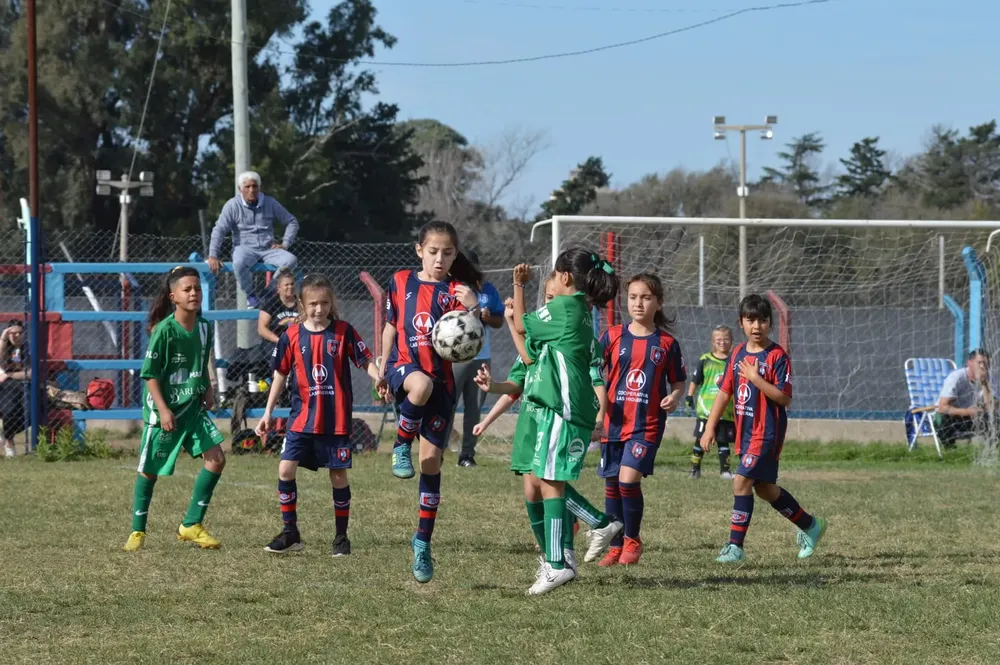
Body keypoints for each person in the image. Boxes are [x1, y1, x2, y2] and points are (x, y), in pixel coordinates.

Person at [473, 282, 622, 579]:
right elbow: (517, 383)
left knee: (548, 483)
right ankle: (554, 558)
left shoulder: (571, 344)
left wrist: (599, 418)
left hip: (552, 420)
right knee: (533, 492)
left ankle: (573, 545)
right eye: (547, 299)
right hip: (530, 424)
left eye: (555, 300)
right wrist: (488, 411)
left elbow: (594, 379)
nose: (549, 305)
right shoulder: (541, 340)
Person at [374, 221, 480, 583]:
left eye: (447, 253)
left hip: (443, 383)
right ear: (419, 249)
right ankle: (399, 446)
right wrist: (381, 365)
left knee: (432, 463)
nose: (439, 258)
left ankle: (422, 543)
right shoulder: (400, 280)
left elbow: (471, 339)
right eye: (433, 251)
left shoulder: (456, 292)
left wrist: (474, 307)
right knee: (419, 386)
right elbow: (391, 325)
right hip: (405, 370)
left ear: (455, 254)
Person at [509, 249, 619, 595]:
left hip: (564, 409)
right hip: (566, 408)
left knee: (549, 481)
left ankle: (557, 563)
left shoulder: (564, 308)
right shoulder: (581, 310)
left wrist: (518, 287)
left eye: (554, 276)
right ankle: (566, 552)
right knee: (542, 478)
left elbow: (519, 326)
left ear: (565, 278)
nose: (552, 282)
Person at [256, 274, 379, 556]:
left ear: (331, 302)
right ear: (302, 303)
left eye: (324, 303)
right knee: (285, 469)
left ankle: (341, 537)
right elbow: (280, 375)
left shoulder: (343, 331)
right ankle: (291, 533)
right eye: (313, 304)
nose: (319, 309)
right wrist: (267, 413)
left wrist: (378, 377)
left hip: (334, 421)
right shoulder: (291, 336)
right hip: (301, 419)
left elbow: (365, 360)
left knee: (338, 476)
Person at [700, 294, 827, 563]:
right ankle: (811, 525)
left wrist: (756, 378)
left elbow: (784, 397)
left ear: (770, 323)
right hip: (745, 433)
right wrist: (709, 427)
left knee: (741, 481)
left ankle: (735, 547)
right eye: (751, 320)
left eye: (762, 320)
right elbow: (724, 393)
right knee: (765, 489)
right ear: (741, 323)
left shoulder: (778, 356)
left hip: (768, 432)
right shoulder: (736, 353)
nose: (757, 326)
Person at [124, 267, 227, 552]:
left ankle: (191, 525)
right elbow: (150, 375)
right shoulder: (164, 331)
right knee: (150, 471)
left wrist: (207, 388)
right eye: (187, 289)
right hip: (165, 411)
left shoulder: (205, 327)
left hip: (192, 407)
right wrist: (164, 410)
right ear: (174, 297)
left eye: (197, 288)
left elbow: (202, 360)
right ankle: (137, 531)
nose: (194, 293)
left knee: (217, 457)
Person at [597, 273, 686, 567]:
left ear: (658, 303)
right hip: (613, 423)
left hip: (646, 426)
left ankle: (633, 539)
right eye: (633, 297)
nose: (638, 303)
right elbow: (595, 374)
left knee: (627, 481)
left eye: (646, 297)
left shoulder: (667, 344)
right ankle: (615, 544)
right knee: (612, 483)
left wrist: (674, 397)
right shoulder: (611, 337)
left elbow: (678, 382)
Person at [444, 249, 503, 468]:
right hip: (453, 358)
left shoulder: (487, 290)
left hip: (481, 357)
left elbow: (499, 321)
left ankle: (467, 454)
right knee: (446, 405)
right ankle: (438, 448)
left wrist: (489, 317)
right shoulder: (451, 288)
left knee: (473, 409)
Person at [207, 171, 298, 309]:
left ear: (259, 187)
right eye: (247, 187)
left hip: (268, 248)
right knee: (238, 262)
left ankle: (268, 292)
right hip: (244, 248)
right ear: (240, 189)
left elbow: (292, 221)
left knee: (291, 260)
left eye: (255, 186)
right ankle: (251, 296)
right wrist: (213, 255)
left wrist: (285, 244)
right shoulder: (232, 205)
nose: (251, 190)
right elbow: (219, 229)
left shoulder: (270, 202)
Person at [687, 325, 737, 479]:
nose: (722, 342)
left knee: (723, 441)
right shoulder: (705, 359)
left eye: (726, 339)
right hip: (706, 409)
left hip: (726, 409)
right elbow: (695, 380)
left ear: (731, 342)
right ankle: (695, 469)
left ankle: (725, 471)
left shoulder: (734, 360)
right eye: (718, 340)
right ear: (713, 342)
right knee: (700, 439)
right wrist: (689, 396)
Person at [935, 349, 996, 448]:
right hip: (949, 417)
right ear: (970, 363)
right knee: (945, 419)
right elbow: (942, 407)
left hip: (972, 417)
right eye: (979, 363)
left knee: (994, 418)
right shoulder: (956, 378)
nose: (982, 366)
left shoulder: (990, 378)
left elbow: (990, 406)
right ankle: (949, 451)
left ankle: (992, 450)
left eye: (986, 363)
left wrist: (985, 385)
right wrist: (967, 412)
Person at [0, 321, 28, 457]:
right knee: (8, 407)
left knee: (29, 410)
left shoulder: (28, 348)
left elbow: (30, 373)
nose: (17, 336)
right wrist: (3, 337)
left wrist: (9, 374)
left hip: (23, 385)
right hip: (5, 386)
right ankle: (9, 441)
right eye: (13, 333)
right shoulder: (5, 348)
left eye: (20, 333)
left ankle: (6, 437)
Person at [257, 267, 300, 347]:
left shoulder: (301, 303)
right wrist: (279, 341)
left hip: (298, 342)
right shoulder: (271, 303)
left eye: (292, 284)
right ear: (279, 287)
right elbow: (261, 328)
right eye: (286, 285)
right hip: (275, 344)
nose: (290, 287)